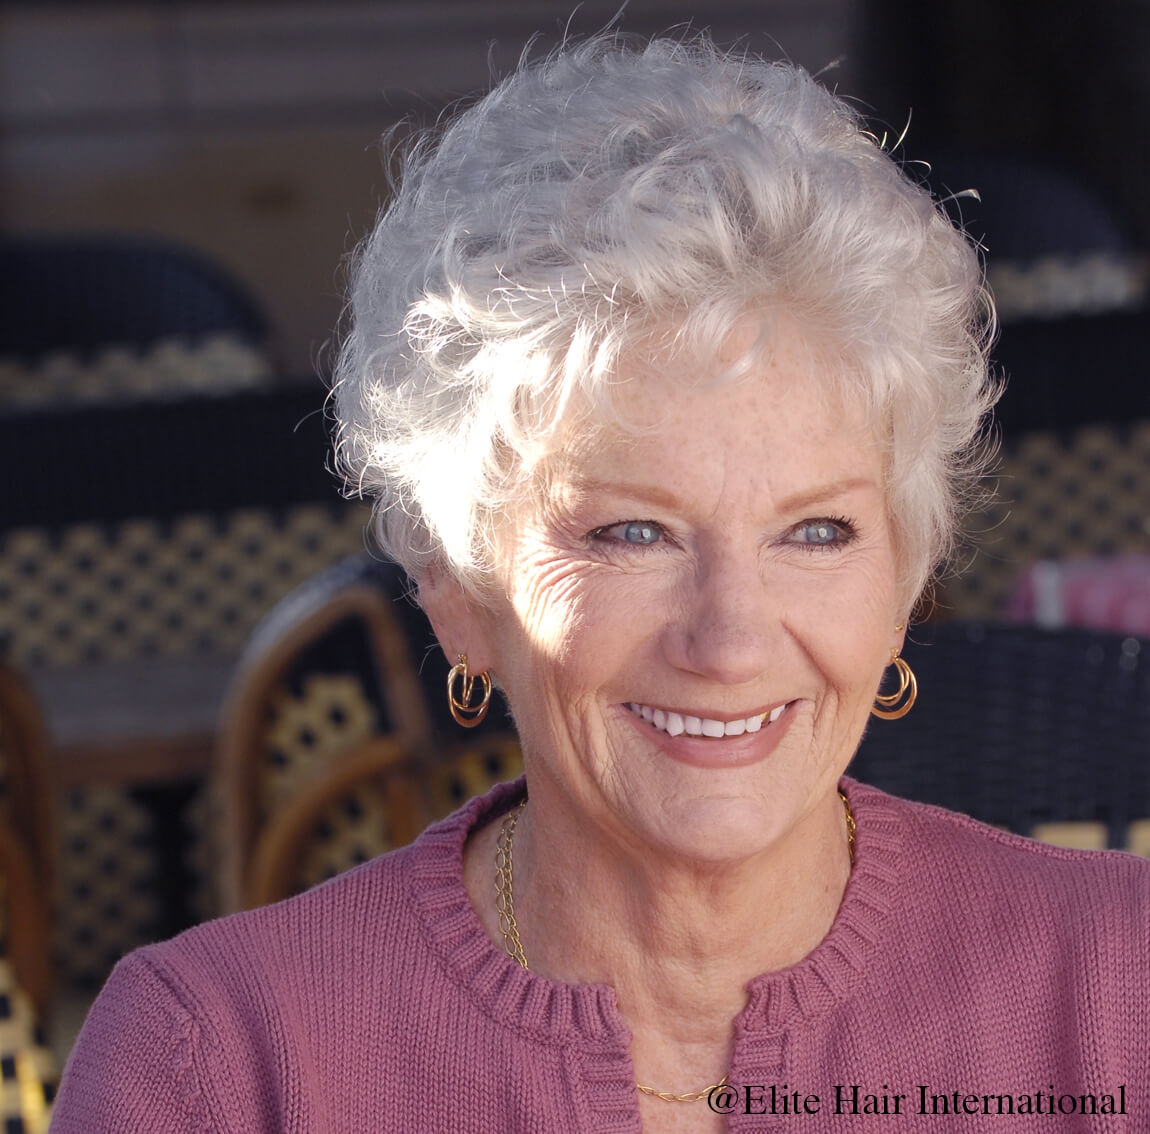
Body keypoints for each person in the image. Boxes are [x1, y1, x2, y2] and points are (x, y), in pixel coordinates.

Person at [50, 33, 1148, 1133]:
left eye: (815, 531)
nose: (728, 641)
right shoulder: (215, 1063)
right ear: (453, 583)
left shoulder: (1118, 995)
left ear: (906, 575)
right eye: (634, 532)